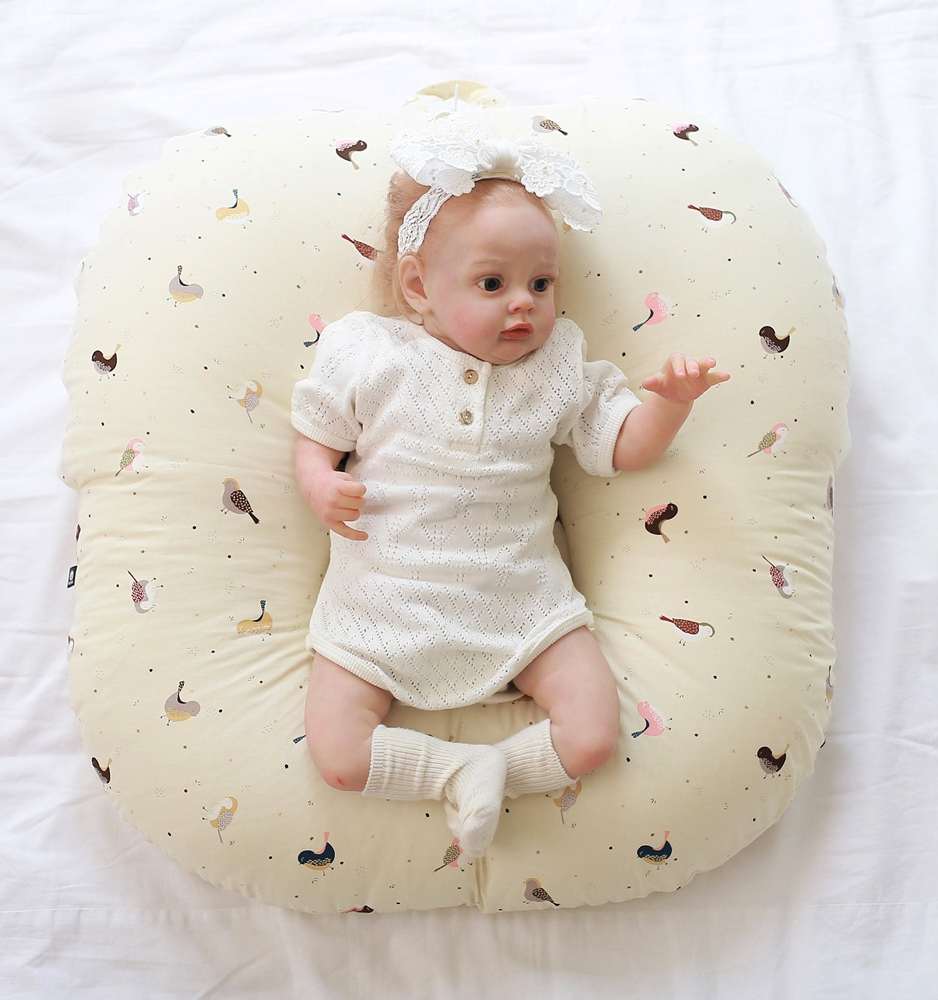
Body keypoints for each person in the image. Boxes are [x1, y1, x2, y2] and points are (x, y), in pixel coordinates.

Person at [291, 121, 729, 855]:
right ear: (418, 286)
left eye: (541, 283)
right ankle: (456, 772)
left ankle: (491, 772)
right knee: (337, 754)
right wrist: (316, 482)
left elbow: (621, 445)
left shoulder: (556, 364)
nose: (524, 303)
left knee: (592, 736)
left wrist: (669, 407)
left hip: (519, 599)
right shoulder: (372, 352)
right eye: (493, 284)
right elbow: (317, 430)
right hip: (384, 600)